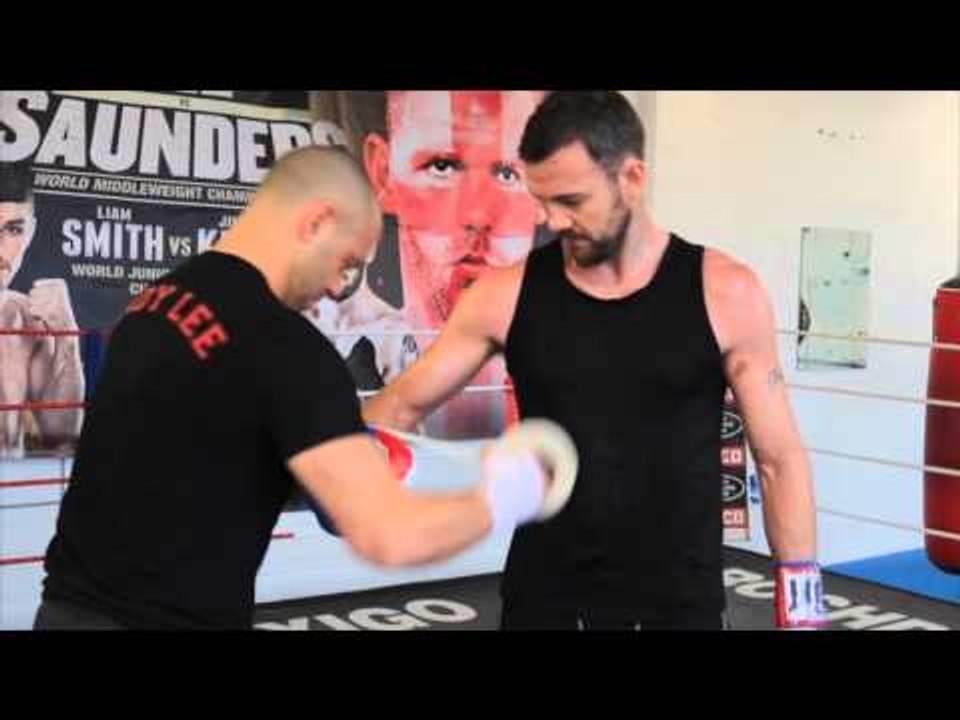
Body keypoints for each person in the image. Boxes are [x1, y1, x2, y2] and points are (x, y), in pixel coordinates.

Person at [33, 146, 556, 630]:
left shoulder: (151, 307)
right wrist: (503, 498)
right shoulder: (286, 349)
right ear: (316, 222)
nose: (337, 286)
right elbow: (390, 535)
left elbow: (191, 467)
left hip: (63, 610)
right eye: (349, 263)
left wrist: (322, 460)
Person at [364, 92, 828, 630]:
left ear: (631, 178)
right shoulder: (504, 295)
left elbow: (779, 460)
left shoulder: (726, 293)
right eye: (541, 201)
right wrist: (332, 471)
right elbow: (399, 405)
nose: (553, 220)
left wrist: (804, 611)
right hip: (546, 601)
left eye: (571, 200)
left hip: (679, 605)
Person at [309, 91, 547, 438]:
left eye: (509, 173)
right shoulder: (341, 349)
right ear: (384, 171)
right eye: (443, 166)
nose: (478, 215)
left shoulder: (577, 351)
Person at [0, 161, 84, 457]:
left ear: (31, 232)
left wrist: (67, 337)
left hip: (11, 498)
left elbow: (63, 440)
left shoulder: (24, 317)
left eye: (13, 229)